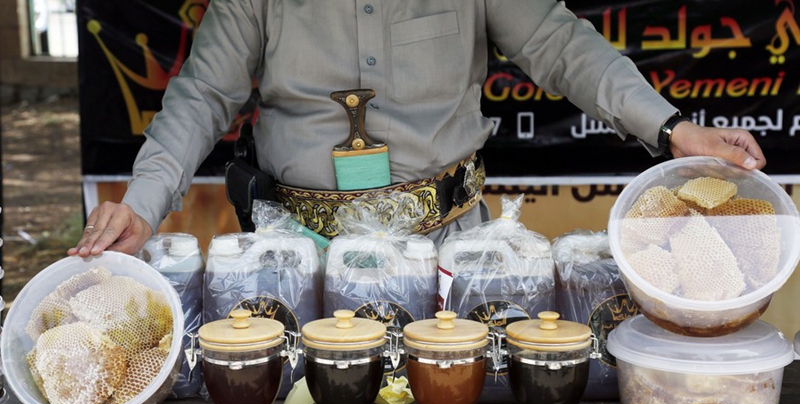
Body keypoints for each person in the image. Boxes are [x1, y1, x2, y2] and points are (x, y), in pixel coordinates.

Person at [69, 1, 765, 258]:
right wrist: (141, 204)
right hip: (295, 253)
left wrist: (672, 129)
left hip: (451, 249)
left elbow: (561, 46)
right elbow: (199, 96)